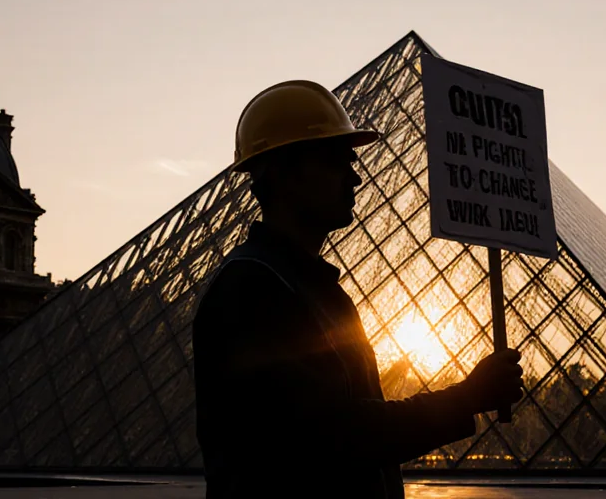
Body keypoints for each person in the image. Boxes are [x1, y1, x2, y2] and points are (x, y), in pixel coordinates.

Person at [193, 79, 524, 499]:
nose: (356, 178)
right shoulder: (250, 291)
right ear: (284, 173)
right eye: (337, 161)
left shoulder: (310, 289)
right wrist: (466, 397)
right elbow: (336, 434)